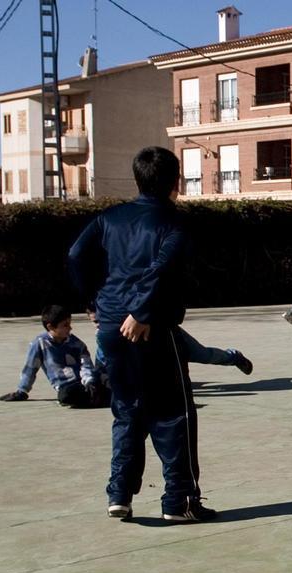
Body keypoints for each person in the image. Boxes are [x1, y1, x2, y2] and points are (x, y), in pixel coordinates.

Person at [68, 146, 216, 523]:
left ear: (137, 179)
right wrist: (141, 311)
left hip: (110, 327)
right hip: (150, 327)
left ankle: (119, 494)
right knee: (173, 415)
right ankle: (178, 502)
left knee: (127, 410)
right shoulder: (174, 222)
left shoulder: (109, 218)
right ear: (175, 182)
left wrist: (95, 302)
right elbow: (162, 269)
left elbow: (75, 255)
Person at [87, 307, 253, 387]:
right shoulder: (105, 335)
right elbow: (102, 364)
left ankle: (233, 356)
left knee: (204, 355)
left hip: (166, 335)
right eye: (95, 322)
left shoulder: (129, 315)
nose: (99, 325)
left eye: (100, 320)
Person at [0, 304, 106, 408]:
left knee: (108, 383)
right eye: (65, 325)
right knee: (66, 395)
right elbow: (30, 368)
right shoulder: (40, 344)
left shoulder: (77, 344)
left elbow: (86, 365)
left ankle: (96, 398)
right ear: (50, 327)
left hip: (86, 384)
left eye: (69, 323)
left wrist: (90, 382)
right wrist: (22, 391)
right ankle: (97, 400)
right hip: (67, 387)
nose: (70, 328)